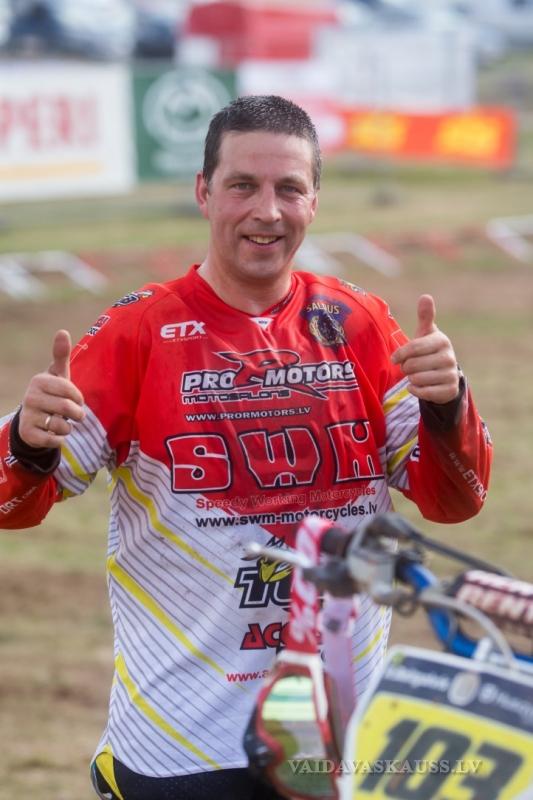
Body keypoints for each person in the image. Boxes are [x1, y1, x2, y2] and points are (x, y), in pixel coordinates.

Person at [0, 95, 492, 800]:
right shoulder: (138, 333)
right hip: (182, 747)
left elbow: (455, 501)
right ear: (204, 192)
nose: (267, 211)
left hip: (339, 739)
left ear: (314, 200)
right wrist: (26, 441)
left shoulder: (359, 324)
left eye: (289, 188)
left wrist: (448, 406)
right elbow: (13, 504)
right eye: (243, 186)